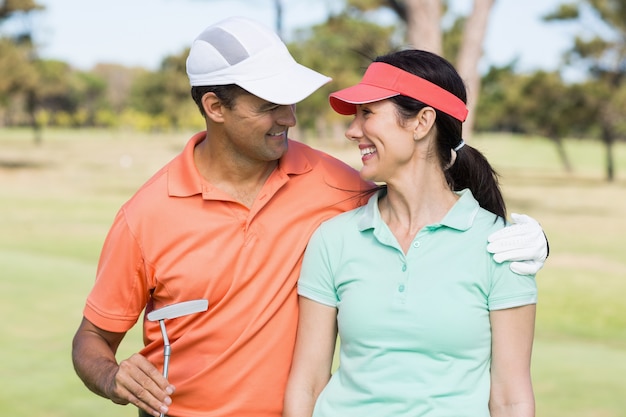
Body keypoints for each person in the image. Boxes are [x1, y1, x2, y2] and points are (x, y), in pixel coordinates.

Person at [71, 17, 546, 417]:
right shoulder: (146, 215)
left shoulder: (340, 186)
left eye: (291, 101)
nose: (290, 118)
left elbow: (424, 199)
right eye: (269, 106)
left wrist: (530, 239)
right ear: (215, 107)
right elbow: (92, 338)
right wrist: (113, 377)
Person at [282, 49, 538, 417]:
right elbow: (307, 384)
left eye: (367, 113)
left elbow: (512, 398)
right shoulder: (333, 239)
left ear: (421, 122)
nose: (352, 131)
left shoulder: (501, 246)